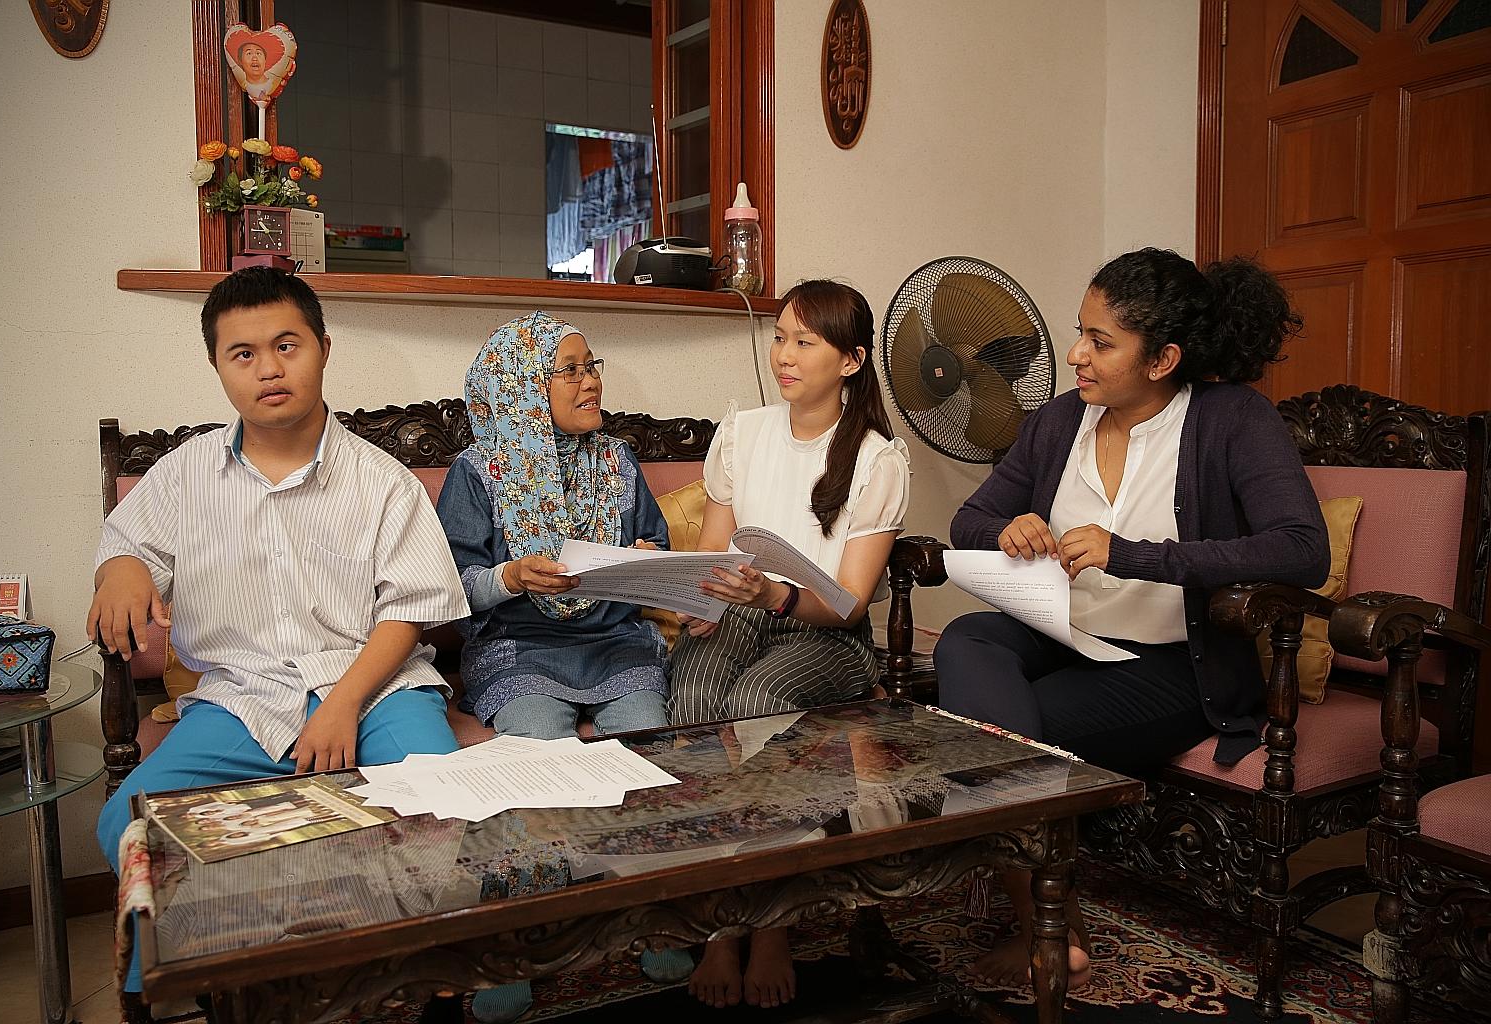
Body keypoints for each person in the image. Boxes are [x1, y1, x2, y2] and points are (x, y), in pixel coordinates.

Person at [934, 247, 1328, 993]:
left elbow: (1303, 549)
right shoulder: (1059, 422)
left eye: (1100, 341)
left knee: (989, 730)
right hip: (1062, 631)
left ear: (1164, 358)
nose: (1076, 355)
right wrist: (1008, 529)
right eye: (1078, 332)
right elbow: (970, 518)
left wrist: (1138, 555)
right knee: (967, 638)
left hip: (1176, 664)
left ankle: (1038, 920)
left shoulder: (1231, 419)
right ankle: (1058, 921)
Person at [91, 267, 470, 1003]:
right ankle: (231, 978)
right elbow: (125, 549)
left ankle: (398, 977)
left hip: (378, 688)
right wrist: (121, 568)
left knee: (439, 804)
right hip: (240, 701)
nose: (269, 368)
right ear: (218, 367)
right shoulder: (183, 475)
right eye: (244, 354)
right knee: (129, 825)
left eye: (287, 345)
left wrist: (341, 705)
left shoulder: (381, 479)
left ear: (324, 348)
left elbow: (410, 611)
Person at [433, 311, 691, 1023]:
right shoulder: (476, 472)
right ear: (522, 387)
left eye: (591, 364)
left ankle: (646, 914)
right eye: (570, 369)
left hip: (618, 641)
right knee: (531, 755)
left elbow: (656, 555)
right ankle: (519, 936)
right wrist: (511, 577)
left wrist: (644, 563)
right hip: (519, 647)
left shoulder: (619, 460)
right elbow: (450, 588)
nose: (590, 380)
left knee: (645, 749)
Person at [668, 279, 911, 1010]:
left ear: (850, 360)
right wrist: (696, 599)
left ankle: (773, 917)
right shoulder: (743, 432)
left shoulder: (876, 460)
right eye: (779, 337)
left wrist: (774, 593)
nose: (784, 354)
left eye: (805, 341)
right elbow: (715, 550)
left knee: (758, 698)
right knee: (696, 692)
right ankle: (720, 917)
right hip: (743, 610)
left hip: (827, 634)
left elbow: (848, 601)